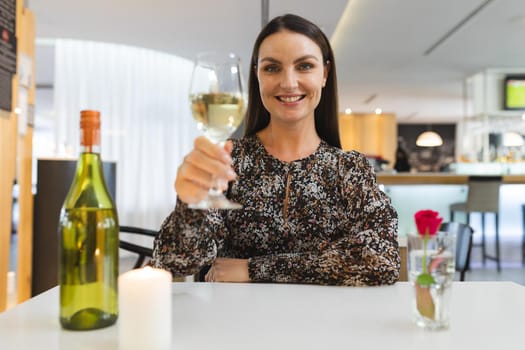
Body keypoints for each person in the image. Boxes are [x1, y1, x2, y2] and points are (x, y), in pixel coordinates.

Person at [150, 14, 400, 286]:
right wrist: (189, 206)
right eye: (272, 68)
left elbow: (382, 259)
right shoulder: (228, 161)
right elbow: (174, 262)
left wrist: (254, 269)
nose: (289, 83)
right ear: (257, 75)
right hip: (234, 323)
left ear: (325, 74)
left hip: (325, 324)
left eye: (304, 66)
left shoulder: (350, 168)